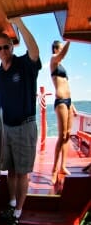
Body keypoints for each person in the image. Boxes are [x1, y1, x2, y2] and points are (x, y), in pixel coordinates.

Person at [0, 17, 42, 225]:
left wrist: (20, 24)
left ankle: (18, 213)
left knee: (22, 173)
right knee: (11, 171)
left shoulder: (24, 65)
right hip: (6, 128)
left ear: (12, 47)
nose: (3, 51)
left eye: (6, 47)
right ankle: (12, 203)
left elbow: (34, 51)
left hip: (24, 126)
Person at [49, 40, 76, 184]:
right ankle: (53, 170)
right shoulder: (53, 60)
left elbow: (67, 85)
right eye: (60, 49)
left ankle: (62, 166)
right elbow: (63, 53)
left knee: (68, 135)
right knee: (62, 135)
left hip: (69, 101)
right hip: (60, 102)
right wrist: (69, 39)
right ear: (55, 49)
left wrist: (73, 106)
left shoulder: (62, 67)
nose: (62, 52)